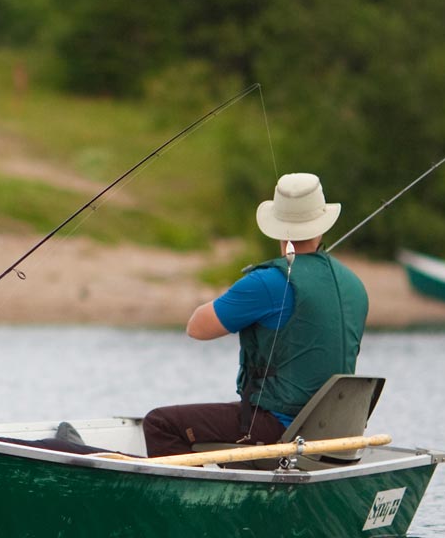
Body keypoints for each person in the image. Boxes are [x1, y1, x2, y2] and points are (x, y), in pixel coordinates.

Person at [142, 172, 369, 456]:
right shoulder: (355, 285)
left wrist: (241, 292)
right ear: (321, 225)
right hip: (337, 429)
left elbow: (197, 328)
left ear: (278, 228)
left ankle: (196, 500)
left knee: (160, 423)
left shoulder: (267, 282)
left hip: (278, 426)